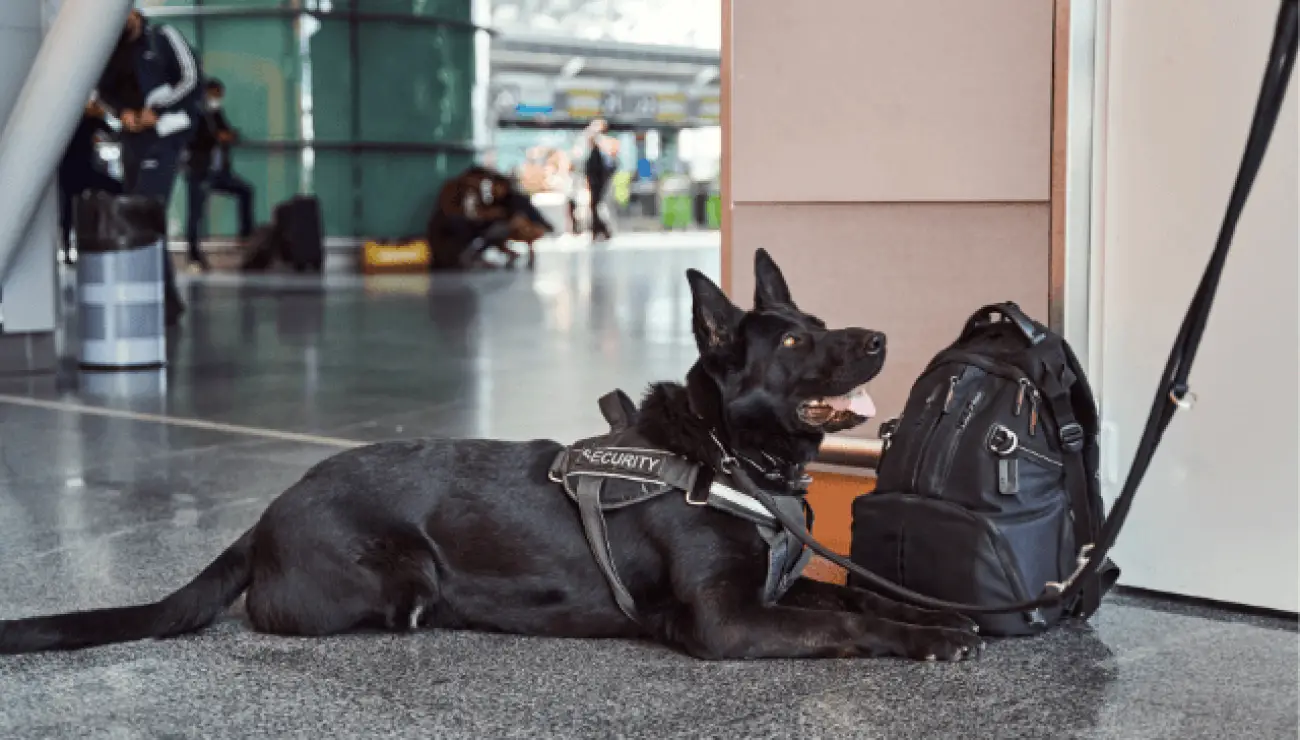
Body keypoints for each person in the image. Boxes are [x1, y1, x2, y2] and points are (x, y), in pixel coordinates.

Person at [93, 9, 203, 325]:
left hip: (166, 133)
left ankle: (157, 297)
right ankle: (164, 300)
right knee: (140, 215)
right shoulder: (108, 47)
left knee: (146, 207)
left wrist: (157, 109)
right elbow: (103, 91)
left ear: (133, 13)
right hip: (133, 138)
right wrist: (122, 113)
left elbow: (192, 76)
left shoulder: (162, 35)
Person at [184, 78, 254, 272]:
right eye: (215, 95)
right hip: (199, 170)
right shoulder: (196, 113)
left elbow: (226, 132)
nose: (218, 99)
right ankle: (194, 256)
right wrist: (216, 137)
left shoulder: (216, 114)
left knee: (245, 190)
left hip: (218, 171)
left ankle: (245, 234)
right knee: (195, 213)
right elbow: (192, 139)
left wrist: (230, 135)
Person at [56, 99, 122, 263]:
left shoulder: (77, 121)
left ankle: (67, 249)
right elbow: (114, 134)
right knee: (117, 188)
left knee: (68, 211)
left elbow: (113, 133)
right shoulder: (89, 120)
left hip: (71, 171)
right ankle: (69, 248)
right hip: (79, 170)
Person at [583, 119, 617, 241]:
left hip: (602, 182)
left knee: (599, 206)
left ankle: (602, 229)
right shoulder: (589, 149)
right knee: (594, 207)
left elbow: (610, 163)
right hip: (594, 181)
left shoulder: (605, 144)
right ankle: (599, 229)